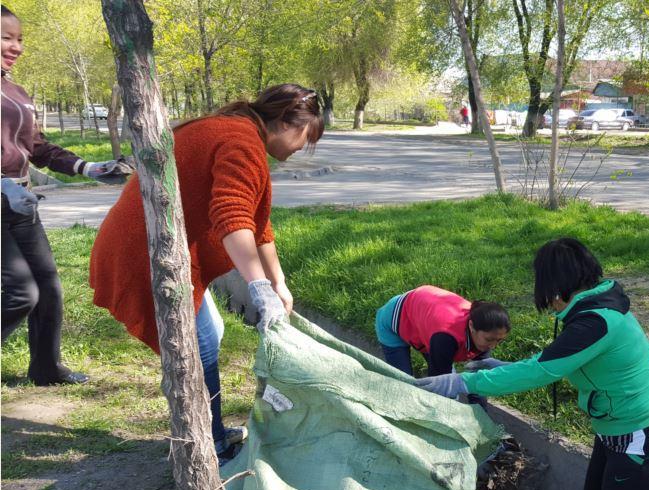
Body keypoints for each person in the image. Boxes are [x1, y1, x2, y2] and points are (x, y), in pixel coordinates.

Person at [89, 83, 324, 463]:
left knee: (209, 335)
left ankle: (208, 429)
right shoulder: (240, 141)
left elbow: (257, 224)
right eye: (306, 137)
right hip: (144, 251)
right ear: (284, 122)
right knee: (199, 346)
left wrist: (278, 282)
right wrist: (259, 287)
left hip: (153, 244)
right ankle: (207, 445)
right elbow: (232, 218)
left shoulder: (238, 130)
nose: (302, 148)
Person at [416, 238, 649, 490]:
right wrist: (508, 367)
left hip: (643, 438)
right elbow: (556, 364)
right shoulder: (595, 307)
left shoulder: (596, 322)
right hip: (616, 433)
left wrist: (460, 383)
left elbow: (542, 370)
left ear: (556, 287)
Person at [2, 5, 124, 386]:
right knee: (21, 293)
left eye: (20, 39)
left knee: (49, 288)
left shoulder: (14, 91)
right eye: (7, 37)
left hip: (20, 202)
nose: (17, 46)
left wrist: (87, 167)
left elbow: (35, 146)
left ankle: (45, 368)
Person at [375, 285, 509, 380]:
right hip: (394, 318)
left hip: (423, 317)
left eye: (499, 341)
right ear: (471, 326)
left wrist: (481, 414)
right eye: (489, 340)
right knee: (404, 382)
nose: (493, 346)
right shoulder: (445, 338)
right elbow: (439, 384)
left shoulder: (486, 329)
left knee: (449, 382)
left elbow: (479, 381)